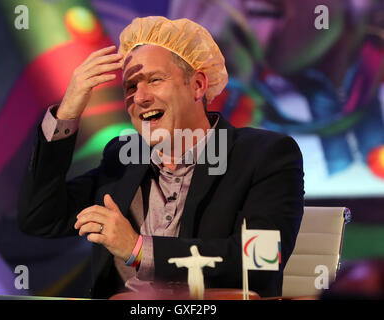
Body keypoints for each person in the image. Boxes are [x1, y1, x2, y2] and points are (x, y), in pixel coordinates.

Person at [18, 16, 304, 299]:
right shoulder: (123, 158)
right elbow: (41, 218)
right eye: (130, 87)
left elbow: (260, 264)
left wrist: (139, 249)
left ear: (198, 85)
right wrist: (66, 113)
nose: (140, 97)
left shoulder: (264, 155)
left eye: (154, 80)